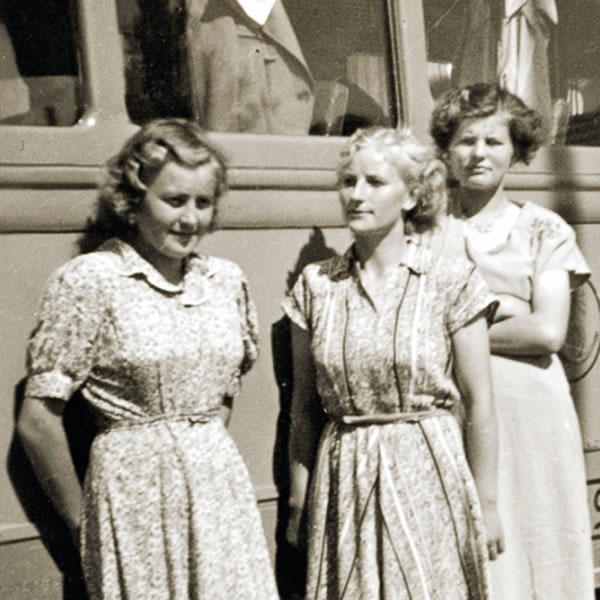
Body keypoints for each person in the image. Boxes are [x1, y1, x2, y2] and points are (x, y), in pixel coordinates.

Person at [17, 118, 279, 599]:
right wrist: (84, 524)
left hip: (220, 499)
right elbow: (37, 422)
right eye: (174, 201)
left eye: (203, 202)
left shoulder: (224, 281)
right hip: (133, 501)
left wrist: (194, 451)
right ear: (134, 202)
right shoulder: (91, 281)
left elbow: (223, 392)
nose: (191, 219)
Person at [282, 126, 503, 599]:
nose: (356, 195)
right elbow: (303, 406)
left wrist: (487, 504)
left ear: (411, 196)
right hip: (345, 475)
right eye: (348, 181)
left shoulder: (450, 280)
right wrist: (300, 499)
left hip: (428, 471)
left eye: (375, 182)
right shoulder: (317, 285)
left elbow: (479, 401)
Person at [430, 82, 595, 599]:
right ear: (446, 149)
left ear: (516, 148)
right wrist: (507, 312)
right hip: (458, 412)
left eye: (493, 141)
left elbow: (547, 331)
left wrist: (456, 328)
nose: (478, 153)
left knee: (539, 542)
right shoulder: (427, 231)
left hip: (532, 413)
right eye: (465, 140)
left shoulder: (544, 229)